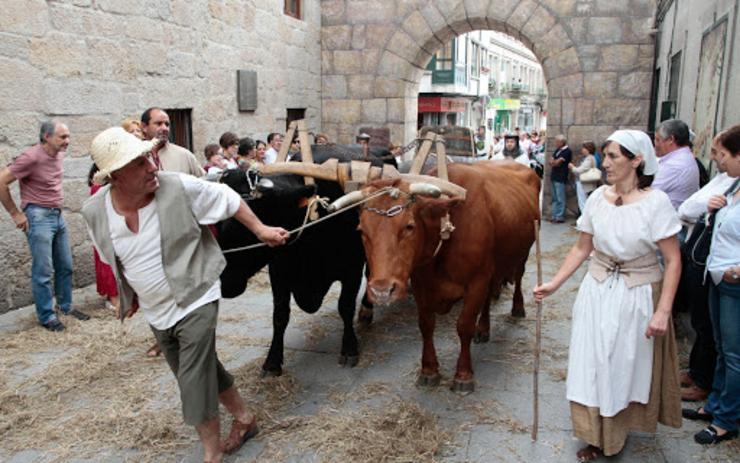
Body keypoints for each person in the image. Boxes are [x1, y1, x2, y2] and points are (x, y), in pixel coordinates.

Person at [83, 127, 289, 463]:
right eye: (140, 163)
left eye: (150, 157)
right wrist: (129, 293)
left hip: (196, 293)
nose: (153, 166)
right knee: (203, 368)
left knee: (193, 380)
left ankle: (211, 455)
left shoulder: (177, 187)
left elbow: (229, 198)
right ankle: (246, 419)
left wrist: (262, 230)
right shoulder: (95, 212)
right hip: (157, 309)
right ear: (115, 176)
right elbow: (112, 255)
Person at [534, 130, 682, 461]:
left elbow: (673, 260)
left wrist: (663, 311)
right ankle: (592, 435)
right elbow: (581, 247)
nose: (606, 163)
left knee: (622, 365)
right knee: (591, 363)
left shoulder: (655, 203)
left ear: (637, 160)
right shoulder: (599, 197)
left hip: (636, 293)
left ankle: (615, 434)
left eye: (614, 156)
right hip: (596, 289)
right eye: (606, 156)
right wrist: (555, 284)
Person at [0, 120, 90, 331]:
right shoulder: (31, 157)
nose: (67, 141)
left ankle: (65, 308)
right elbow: (1, 181)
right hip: (38, 217)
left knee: (65, 265)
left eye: (68, 136)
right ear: (47, 137)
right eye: (63, 137)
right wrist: (15, 213)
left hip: (57, 215)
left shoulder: (58, 153)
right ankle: (47, 316)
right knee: (43, 270)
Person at [682, 124, 740, 446]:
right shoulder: (734, 188)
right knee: (721, 349)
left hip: (734, 283)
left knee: (734, 355)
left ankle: (726, 420)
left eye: (725, 155)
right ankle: (715, 406)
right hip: (718, 278)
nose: (720, 162)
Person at [88, 163, 119, 313]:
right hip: (104, 229)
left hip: (114, 227)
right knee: (107, 262)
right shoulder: (98, 188)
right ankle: (113, 297)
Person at [140, 107, 205, 177]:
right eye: (158, 124)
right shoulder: (134, 156)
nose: (165, 128)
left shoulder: (185, 156)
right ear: (144, 127)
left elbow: (205, 182)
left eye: (167, 124)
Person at [653, 119, 700, 210]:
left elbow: (645, 193)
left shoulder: (674, 165)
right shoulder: (683, 158)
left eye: (658, 139)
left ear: (671, 139)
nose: (655, 144)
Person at [569, 141, 599, 214]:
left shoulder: (589, 158)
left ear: (588, 149)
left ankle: (584, 221)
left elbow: (580, 170)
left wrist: (572, 167)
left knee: (583, 202)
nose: (582, 150)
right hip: (584, 183)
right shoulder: (589, 158)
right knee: (584, 202)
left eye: (583, 148)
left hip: (584, 183)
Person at [549, 134, 572, 223]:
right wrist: (554, 161)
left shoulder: (567, 151)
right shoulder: (557, 150)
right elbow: (551, 161)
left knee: (560, 198)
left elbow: (557, 163)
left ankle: (560, 216)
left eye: (557, 142)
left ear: (562, 142)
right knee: (554, 198)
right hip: (554, 175)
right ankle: (554, 215)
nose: (555, 143)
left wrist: (554, 162)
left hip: (561, 176)